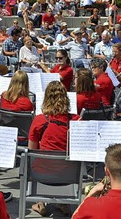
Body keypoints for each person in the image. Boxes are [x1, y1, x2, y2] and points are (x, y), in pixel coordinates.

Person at [28, 80, 80, 216]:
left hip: (41, 174)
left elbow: (32, 150)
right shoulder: (76, 120)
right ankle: (62, 202)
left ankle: (40, 203)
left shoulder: (40, 120)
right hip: (69, 175)